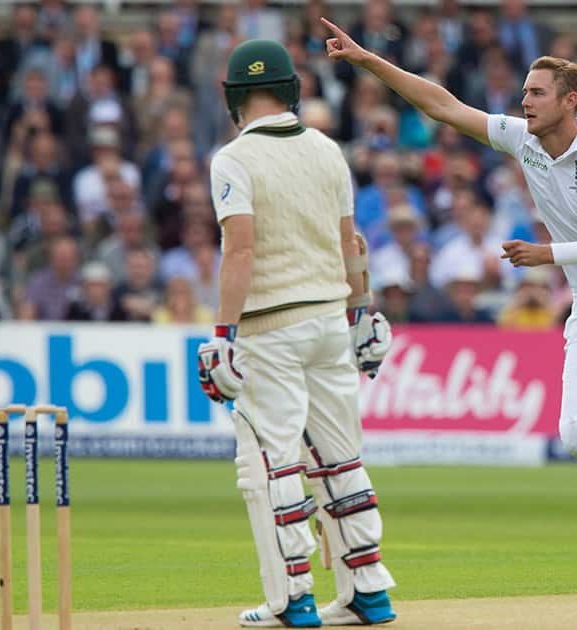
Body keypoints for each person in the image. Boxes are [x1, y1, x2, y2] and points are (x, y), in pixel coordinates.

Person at [322, 17, 577, 585]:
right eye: (524, 94)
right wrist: (369, 61)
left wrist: (549, 255)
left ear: (570, 101)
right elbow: (442, 106)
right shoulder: (524, 139)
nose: (525, 102)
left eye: (537, 93)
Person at [196, 39, 397, 627]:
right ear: (292, 90)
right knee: (341, 460)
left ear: (233, 97)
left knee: (270, 463)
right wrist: (364, 313)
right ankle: (368, 590)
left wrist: (222, 335)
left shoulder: (232, 159)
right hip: (330, 323)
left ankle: (292, 598)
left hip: (269, 330)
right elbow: (350, 245)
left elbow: (241, 250)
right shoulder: (328, 150)